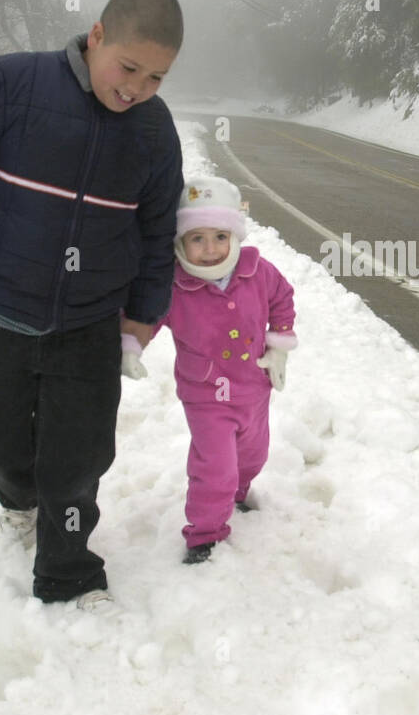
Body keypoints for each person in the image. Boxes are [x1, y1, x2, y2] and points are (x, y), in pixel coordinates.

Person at [0, 0, 186, 609]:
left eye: (157, 78)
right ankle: (18, 497)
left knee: (77, 460)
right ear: (97, 36)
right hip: (1, 307)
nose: (136, 88)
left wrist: (143, 314)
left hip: (89, 322)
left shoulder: (155, 134)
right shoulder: (13, 83)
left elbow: (158, 230)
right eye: (129, 67)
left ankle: (68, 569)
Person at [122, 177, 297, 564]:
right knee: (216, 466)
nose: (210, 249)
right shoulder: (173, 284)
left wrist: (279, 344)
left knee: (253, 456)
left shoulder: (258, 270)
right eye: (196, 238)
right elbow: (146, 318)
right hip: (207, 396)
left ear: (234, 234)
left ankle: (237, 491)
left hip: (255, 388)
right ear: (180, 242)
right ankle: (205, 535)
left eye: (220, 236)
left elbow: (282, 299)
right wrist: (132, 345)